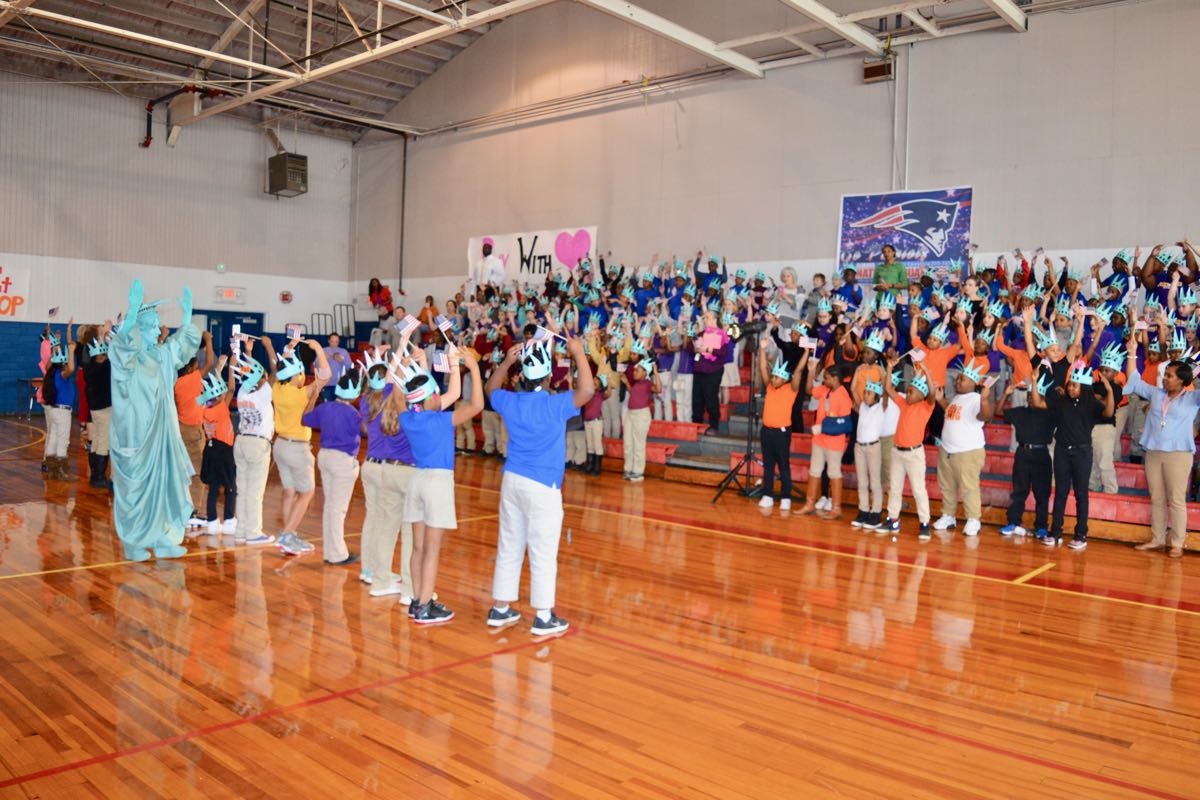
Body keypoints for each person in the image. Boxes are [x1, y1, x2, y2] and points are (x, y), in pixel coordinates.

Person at [485, 335, 594, 635]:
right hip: (542, 486)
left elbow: (491, 388)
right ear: (548, 376)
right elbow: (587, 389)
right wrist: (578, 353)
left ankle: (500, 608)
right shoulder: (554, 404)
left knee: (510, 544)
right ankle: (543, 615)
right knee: (543, 550)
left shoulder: (510, 400)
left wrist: (506, 362)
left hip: (512, 481)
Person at [108, 280, 202, 561]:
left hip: (164, 437)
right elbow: (120, 344)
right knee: (136, 492)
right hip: (136, 438)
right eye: (151, 326)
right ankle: (134, 542)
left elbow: (180, 346)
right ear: (138, 328)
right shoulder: (128, 360)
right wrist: (133, 310)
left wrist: (187, 316)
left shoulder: (160, 356)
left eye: (157, 326)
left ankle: (165, 539)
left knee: (166, 486)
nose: (158, 330)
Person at [397, 343, 483, 624]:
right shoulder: (441, 420)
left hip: (417, 480)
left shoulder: (409, 417)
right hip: (437, 483)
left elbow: (442, 394)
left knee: (418, 548)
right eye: (436, 393)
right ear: (431, 398)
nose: (440, 395)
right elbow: (476, 405)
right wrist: (472, 368)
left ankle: (414, 599)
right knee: (431, 550)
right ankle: (424, 606)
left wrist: (448, 364)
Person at [1123, 343, 1200, 558]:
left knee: (1176, 499)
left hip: (1179, 454)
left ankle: (1177, 542)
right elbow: (1134, 382)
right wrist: (1131, 353)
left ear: (1183, 381)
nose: (1165, 378)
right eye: (1165, 374)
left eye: (1170, 375)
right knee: (1156, 497)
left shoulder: (1194, 398)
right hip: (1154, 453)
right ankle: (1157, 539)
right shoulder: (1156, 394)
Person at [1032, 361, 1113, 550]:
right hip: (1062, 451)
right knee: (1060, 493)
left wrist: (1109, 391)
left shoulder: (1092, 403)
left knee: (1081, 494)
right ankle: (1055, 533)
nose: (1070, 388)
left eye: (1075, 385)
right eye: (1070, 384)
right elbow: (1037, 403)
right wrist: (1035, 382)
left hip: (1082, 452)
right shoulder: (1061, 401)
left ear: (1083, 387)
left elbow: (1109, 413)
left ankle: (1080, 535)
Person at [360, 348, 418, 601]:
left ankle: (375, 574)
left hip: (374, 465)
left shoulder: (366, 401)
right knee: (405, 530)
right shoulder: (401, 409)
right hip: (397, 469)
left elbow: (382, 382)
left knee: (380, 523)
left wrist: (394, 361)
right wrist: (405, 360)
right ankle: (407, 585)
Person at [271, 339, 332, 555]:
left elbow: (278, 369)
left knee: (289, 491)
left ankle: (289, 536)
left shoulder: (277, 388)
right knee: (306, 493)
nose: (302, 376)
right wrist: (317, 349)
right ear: (295, 374)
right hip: (297, 448)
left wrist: (288, 349)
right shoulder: (301, 394)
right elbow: (326, 374)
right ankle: (287, 535)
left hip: (279, 445)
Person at [302, 366, 365, 566]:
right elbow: (367, 430)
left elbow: (305, 418)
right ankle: (337, 554)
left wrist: (314, 397)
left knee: (330, 507)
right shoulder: (354, 414)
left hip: (325, 457)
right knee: (337, 510)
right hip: (343, 462)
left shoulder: (325, 407)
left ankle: (331, 552)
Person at [931, 362, 992, 538]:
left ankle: (973, 519)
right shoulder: (957, 398)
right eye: (957, 378)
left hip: (968, 452)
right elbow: (951, 413)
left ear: (973, 382)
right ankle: (948, 516)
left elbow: (985, 416)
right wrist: (941, 400)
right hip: (948, 450)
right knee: (947, 486)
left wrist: (985, 400)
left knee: (969, 487)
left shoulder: (975, 399)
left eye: (962, 379)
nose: (958, 382)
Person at [232, 338, 279, 549]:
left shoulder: (243, 392)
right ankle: (253, 533)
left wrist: (248, 351)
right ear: (263, 379)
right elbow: (276, 371)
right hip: (257, 445)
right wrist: (268, 346)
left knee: (242, 489)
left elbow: (251, 373)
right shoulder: (263, 394)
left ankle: (241, 531)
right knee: (255, 491)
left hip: (240, 441)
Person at [880, 364, 936, 539]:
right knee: (895, 488)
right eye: (908, 390)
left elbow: (933, 394)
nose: (908, 393)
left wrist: (927, 373)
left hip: (914, 454)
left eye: (911, 391)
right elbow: (888, 388)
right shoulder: (904, 403)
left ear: (921, 396)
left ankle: (925, 523)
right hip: (897, 451)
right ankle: (893, 520)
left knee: (919, 490)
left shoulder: (926, 407)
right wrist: (889, 368)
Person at [998, 376, 1055, 539]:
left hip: (1042, 454)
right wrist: (1006, 395)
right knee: (1019, 491)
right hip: (1022, 453)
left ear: (1043, 399)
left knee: (1042, 494)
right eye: (1029, 395)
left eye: (1035, 396)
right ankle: (1014, 522)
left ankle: (1041, 527)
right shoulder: (1020, 412)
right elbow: (998, 412)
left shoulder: (1050, 414)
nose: (1031, 398)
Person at [798, 363, 851, 519]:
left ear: (835, 379)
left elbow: (844, 423)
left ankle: (836, 508)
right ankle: (809, 504)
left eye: (826, 378)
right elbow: (808, 390)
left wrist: (824, 428)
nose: (824, 380)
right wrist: (810, 371)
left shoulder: (843, 396)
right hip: (819, 441)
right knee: (814, 471)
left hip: (834, 443)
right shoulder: (824, 391)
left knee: (834, 472)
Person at [757, 349, 806, 512]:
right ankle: (768, 494)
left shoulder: (790, 390)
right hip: (767, 431)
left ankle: (786, 497)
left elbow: (798, 371)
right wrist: (763, 349)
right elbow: (763, 368)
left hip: (781, 433)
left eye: (776, 377)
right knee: (768, 465)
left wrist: (806, 352)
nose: (773, 379)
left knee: (783, 464)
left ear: (785, 378)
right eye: (773, 376)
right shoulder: (770, 388)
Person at [175, 331, 214, 528]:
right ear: (190, 368)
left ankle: (183, 509)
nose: (198, 367)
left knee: (183, 473)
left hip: (181, 429)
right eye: (195, 365)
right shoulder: (191, 380)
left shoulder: (177, 383)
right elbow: (209, 363)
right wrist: (208, 341)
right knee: (198, 474)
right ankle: (194, 512)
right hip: (192, 431)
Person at [197, 360, 239, 538]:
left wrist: (219, 368)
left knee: (213, 488)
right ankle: (229, 520)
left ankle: (213, 522)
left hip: (210, 448)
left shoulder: (204, 409)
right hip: (224, 450)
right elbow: (231, 387)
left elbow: (218, 390)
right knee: (230, 487)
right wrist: (231, 366)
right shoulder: (221, 408)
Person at [849, 375, 888, 530]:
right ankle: (863, 510)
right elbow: (852, 389)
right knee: (862, 481)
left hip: (873, 447)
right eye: (865, 392)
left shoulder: (882, 407)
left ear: (877, 396)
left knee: (875, 482)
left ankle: (876, 513)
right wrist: (858, 372)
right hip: (860, 447)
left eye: (869, 393)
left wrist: (883, 372)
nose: (865, 395)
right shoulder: (862, 407)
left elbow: (887, 391)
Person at [41, 325, 76, 482]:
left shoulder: (51, 372)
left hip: (55, 410)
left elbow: (49, 363)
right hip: (62, 411)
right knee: (63, 440)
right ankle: (61, 471)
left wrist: (55, 347)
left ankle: (52, 470)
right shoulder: (62, 374)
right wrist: (71, 351)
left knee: (54, 437)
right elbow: (72, 368)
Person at [83, 324, 114, 489]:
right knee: (103, 440)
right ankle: (99, 477)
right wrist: (107, 335)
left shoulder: (89, 369)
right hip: (105, 408)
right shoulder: (105, 368)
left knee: (96, 439)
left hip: (94, 409)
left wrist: (102, 336)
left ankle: (95, 474)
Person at [621, 357, 661, 482]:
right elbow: (633, 393)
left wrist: (655, 373)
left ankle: (638, 472)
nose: (634, 372)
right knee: (628, 442)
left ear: (645, 372)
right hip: (630, 414)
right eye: (634, 370)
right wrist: (627, 383)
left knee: (638, 444)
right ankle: (628, 468)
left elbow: (658, 389)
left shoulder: (648, 383)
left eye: (637, 370)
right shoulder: (636, 384)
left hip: (641, 415)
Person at [323, 333, 352, 402]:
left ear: (339, 342)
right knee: (327, 407)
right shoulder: (323, 351)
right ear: (328, 341)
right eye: (332, 341)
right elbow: (315, 366)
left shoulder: (344, 352)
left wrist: (342, 361)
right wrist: (322, 359)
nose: (334, 344)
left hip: (340, 384)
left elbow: (350, 367)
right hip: (326, 384)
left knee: (339, 407)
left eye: (336, 342)